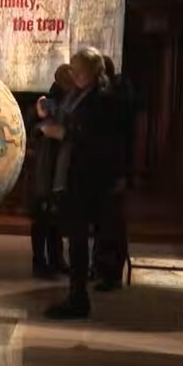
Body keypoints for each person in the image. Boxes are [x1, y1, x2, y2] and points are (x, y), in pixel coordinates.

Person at [37, 47, 119, 320]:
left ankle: (78, 298)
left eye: (80, 69)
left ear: (93, 71)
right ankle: (75, 293)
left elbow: (100, 139)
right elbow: (67, 116)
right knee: (75, 238)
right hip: (71, 174)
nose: (75, 74)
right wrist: (48, 111)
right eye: (73, 69)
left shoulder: (102, 98)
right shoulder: (77, 94)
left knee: (79, 239)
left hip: (87, 177)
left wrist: (64, 133)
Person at [27, 64, 74, 279]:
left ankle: (56, 259)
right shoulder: (47, 103)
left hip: (58, 166)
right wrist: (42, 127)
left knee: (55, 216)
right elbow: (33, 129)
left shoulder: (69, 102)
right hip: (44, 168)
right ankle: (40, 260)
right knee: (42, 216)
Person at [93, 55, 131, 292]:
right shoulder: (105, 99)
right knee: (103, 223)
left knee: (111, 224)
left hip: (111, 170)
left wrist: (121, 174)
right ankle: (102, 269)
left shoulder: (113, 100)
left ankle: (111, 272)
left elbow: (117, 140)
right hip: (103, 171)